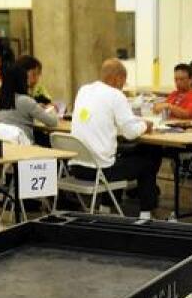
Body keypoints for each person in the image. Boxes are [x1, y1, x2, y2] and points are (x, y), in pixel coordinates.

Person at [69, 58, 160, 218]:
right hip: (100, 171)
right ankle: (145, 215)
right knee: (147, 162)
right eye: (124, 81)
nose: (123, 85)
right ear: (118, 78)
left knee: (118, 156)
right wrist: (146, 125)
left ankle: (106, 207)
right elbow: (130, 133)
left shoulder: (84, 90)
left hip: (77, 168)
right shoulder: (116, 95)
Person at [0, 55, 57, 143]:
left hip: (5, 144)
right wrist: (51, 108)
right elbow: (53, 122)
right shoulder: (25, 101)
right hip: (24, 144)